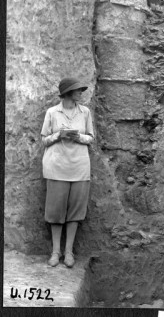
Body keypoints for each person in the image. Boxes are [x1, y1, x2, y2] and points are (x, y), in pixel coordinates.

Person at [41, 78, 94, 267]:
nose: (81, 93)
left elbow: (90, 138)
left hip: (79, 167)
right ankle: (56, 252)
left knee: (75, 211)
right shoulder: (52, 113)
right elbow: (44, 139)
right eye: (77, 90)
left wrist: (78, 136)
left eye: (80, 90)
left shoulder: (85, 112)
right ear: (67, 93)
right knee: (56, 211)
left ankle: (69, 252)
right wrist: (59, 135)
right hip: (56, 167)